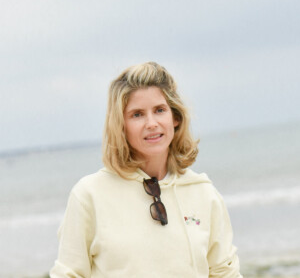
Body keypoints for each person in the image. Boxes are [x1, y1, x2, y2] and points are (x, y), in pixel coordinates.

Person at [50, 62, 242, 277]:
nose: (151, 123)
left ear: (175, 117)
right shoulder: (89, 195)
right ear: (120, 125)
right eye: (137, 114)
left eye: (160, 110)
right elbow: (68, 273)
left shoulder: (204, 193)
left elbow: (225, 273)